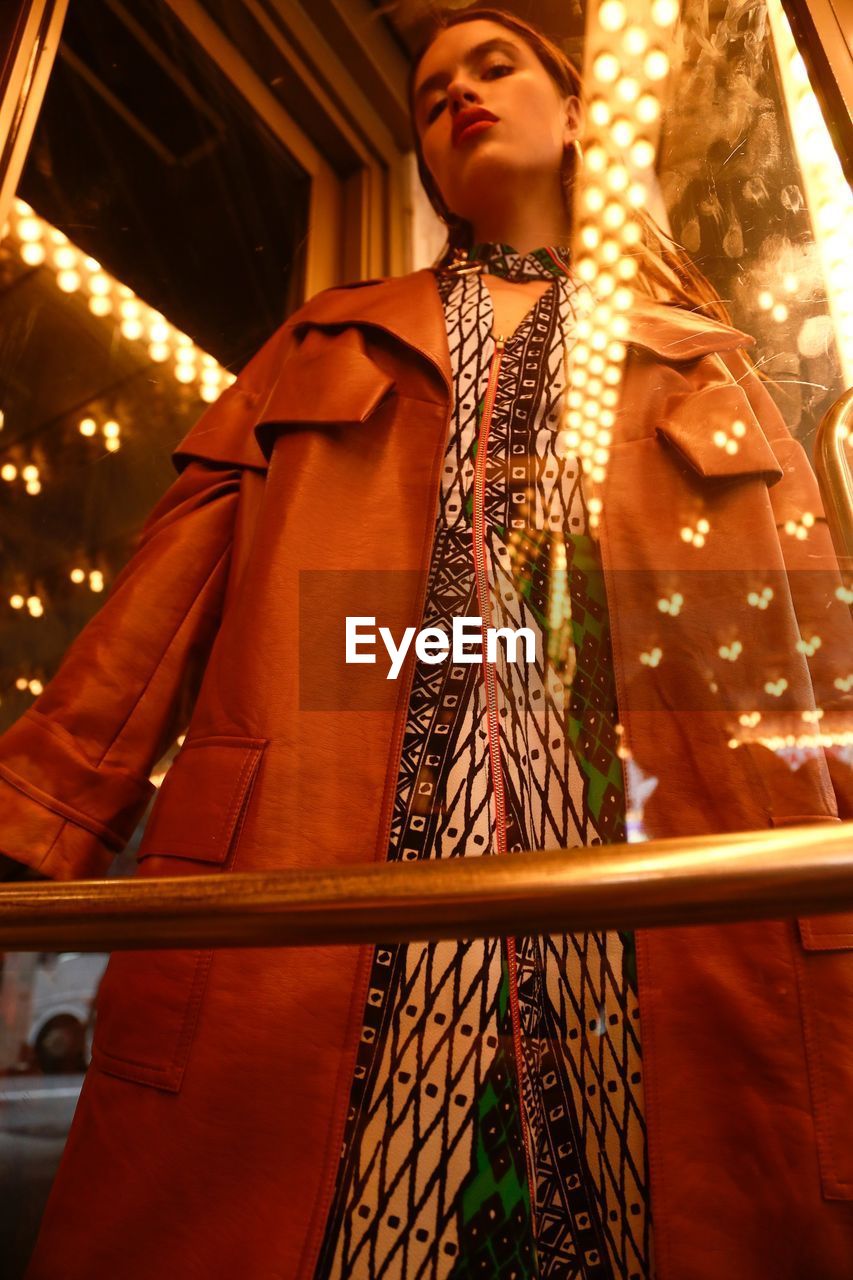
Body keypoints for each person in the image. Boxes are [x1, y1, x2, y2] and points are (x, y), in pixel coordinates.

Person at [0, 7, 850, 1280]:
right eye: (427, 93)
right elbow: (160, 600)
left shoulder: (704, 374)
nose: (454, 94)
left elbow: (816, 657)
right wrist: (35, 811)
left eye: (492, 64)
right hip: (347, 881)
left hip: (642, 906)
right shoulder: (322, 342)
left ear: (579, 113)